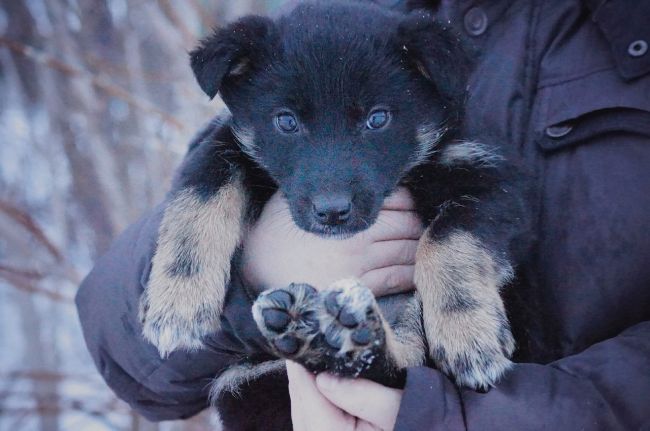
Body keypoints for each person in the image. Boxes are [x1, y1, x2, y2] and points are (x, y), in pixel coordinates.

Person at [76, 0, 650, 429]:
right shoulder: (339, 24)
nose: (329, 194)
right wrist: (248, 270)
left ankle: (379, 348)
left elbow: (490, 195)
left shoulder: (411, 50)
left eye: (376, 120)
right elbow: (134, 359)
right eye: (286, 124)